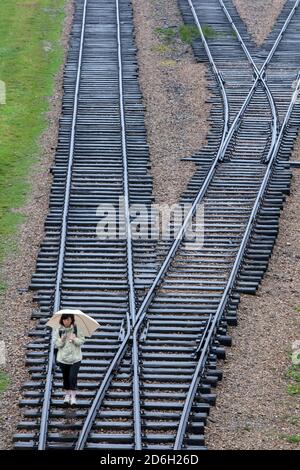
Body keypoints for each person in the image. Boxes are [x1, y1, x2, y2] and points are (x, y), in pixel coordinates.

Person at [54, 313, 85, 406]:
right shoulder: (59, 330)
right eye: (64, 320)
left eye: (67, 319)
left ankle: (73, 397)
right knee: (66, 377)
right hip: (63, 359)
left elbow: (82, 341)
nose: (65, 321)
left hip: (75, 358)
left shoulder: (76, 329)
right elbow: (57, 344)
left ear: (71, 319)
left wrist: (74, 339)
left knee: (72, 377)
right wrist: (62, 340)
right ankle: (67, 396)